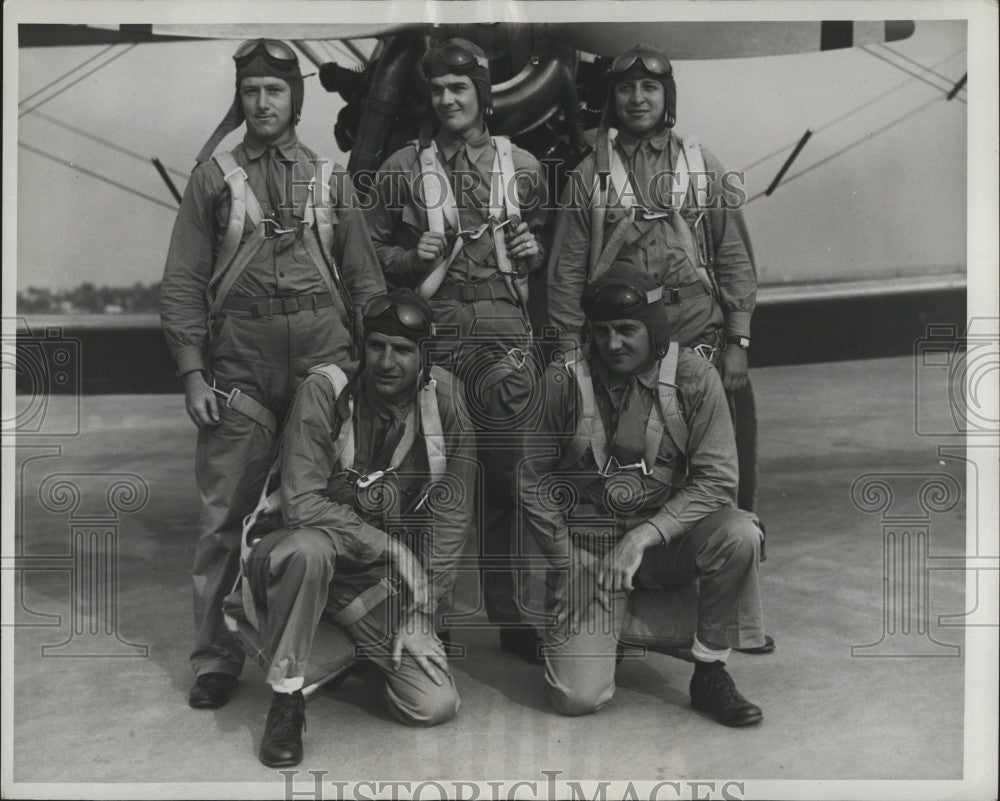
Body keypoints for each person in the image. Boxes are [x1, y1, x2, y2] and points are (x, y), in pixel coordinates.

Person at [160, 38, 386, 711]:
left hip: (326, 369)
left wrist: (370, 373)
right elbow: (181, 284)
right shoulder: (214, 178)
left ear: (296, 101)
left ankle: (348, 644)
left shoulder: (328, 179)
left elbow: (366, 281)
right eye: (252, 91)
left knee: (336, 508)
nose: (263, 103)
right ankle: (215, 657)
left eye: (275, 91)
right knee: (224, 516)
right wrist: (193, 375)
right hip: (241, 374)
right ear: (242, 97)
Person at [366, 38, 551, 663]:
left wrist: (532, 253)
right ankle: (433, 612)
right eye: (439, 90)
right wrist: (405, 258)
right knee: (435, 480)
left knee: (507, 481)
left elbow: (542, 250)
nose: (448, 100)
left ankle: (512, 613)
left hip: (503, 341)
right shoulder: (400, 169)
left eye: (460, 89)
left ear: (482, 95)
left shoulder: (521, 167)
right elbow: (366, 255)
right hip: (437, 341)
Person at [518, 263, 766, 726]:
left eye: (628, 329)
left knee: (739, 534)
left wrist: (643, 537)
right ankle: (613, 629)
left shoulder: (695, 377)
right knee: (576, 698)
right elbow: (531, 479)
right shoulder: (563, 380)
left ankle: (710, 669)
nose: (613, 344)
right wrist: (565, 558)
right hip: (588, 551)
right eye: (603, 331)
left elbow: (717, 482)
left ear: (653, 329)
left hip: (660, 548)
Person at [234, 290, 471, 767]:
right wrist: (393, 550)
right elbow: (301, 503)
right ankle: (286, 698)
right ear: (362, 347)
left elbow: (452, 517)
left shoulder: (444, 401)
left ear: (425, 356)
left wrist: (423, 609)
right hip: (291, 557)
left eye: (403, 350)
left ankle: (350, 648)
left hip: (363, 579)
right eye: (377, 346)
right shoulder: (323, 391)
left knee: (433, 704)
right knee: (310, 550)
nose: (387, 361)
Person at [547, 44, 761, 518]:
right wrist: (566, 349)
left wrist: (737, 341)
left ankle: (735, 532)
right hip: (624, 337)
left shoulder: (702, 166)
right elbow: (565, 270)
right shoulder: (588, 176)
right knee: (629, 448)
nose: (638, 98)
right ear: (612, 99)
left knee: (726, 435)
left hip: (696, 330)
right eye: (626, 88)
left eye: (650, 88)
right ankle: (643, 550)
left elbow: (733, 256)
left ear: (668, 98)